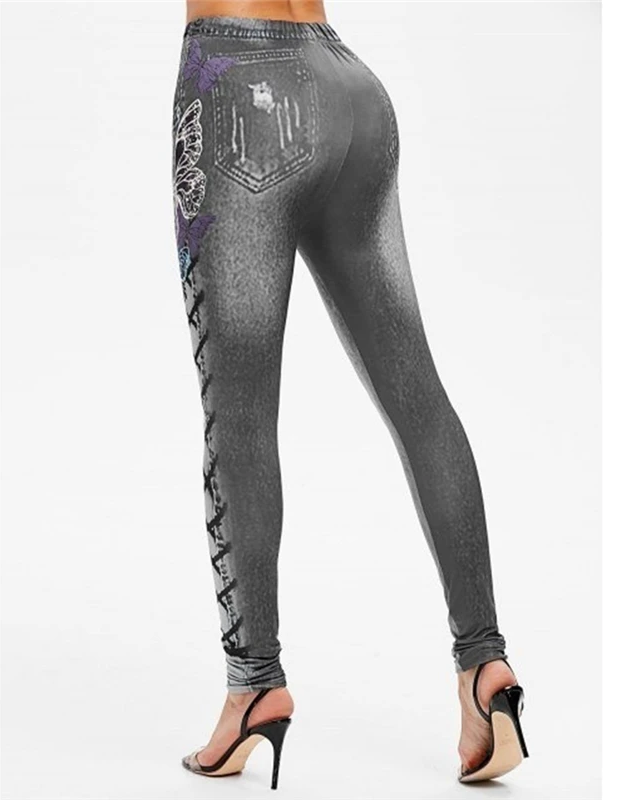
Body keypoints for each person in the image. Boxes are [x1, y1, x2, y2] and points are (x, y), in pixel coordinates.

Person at [172, 0, 528, 787]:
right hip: (353, 90)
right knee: (419, 396)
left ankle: (252, 684)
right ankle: (485, 665)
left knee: (239, 415)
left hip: (239, 87)